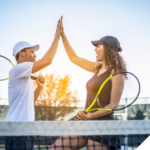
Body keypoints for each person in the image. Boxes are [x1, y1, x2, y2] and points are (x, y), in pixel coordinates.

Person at [50, 17, 126, 150]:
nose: (95, 49)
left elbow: (113, 105)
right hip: (86, 122)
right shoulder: (97, 68)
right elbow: (74, 58)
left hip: (102, 126)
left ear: (107, 49)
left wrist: (90, 115)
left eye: (98, 46)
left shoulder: (117, 73)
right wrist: (63, 36)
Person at [5, 17, 61, 150]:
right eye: (32, 52)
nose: (35, 55)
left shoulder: (24, 77)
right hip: (17, 129)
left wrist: (39, 87)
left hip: (26, 130)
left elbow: (30, 101)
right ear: (22, 54)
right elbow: (47, 60)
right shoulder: (18, 69)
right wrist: (57, 38)